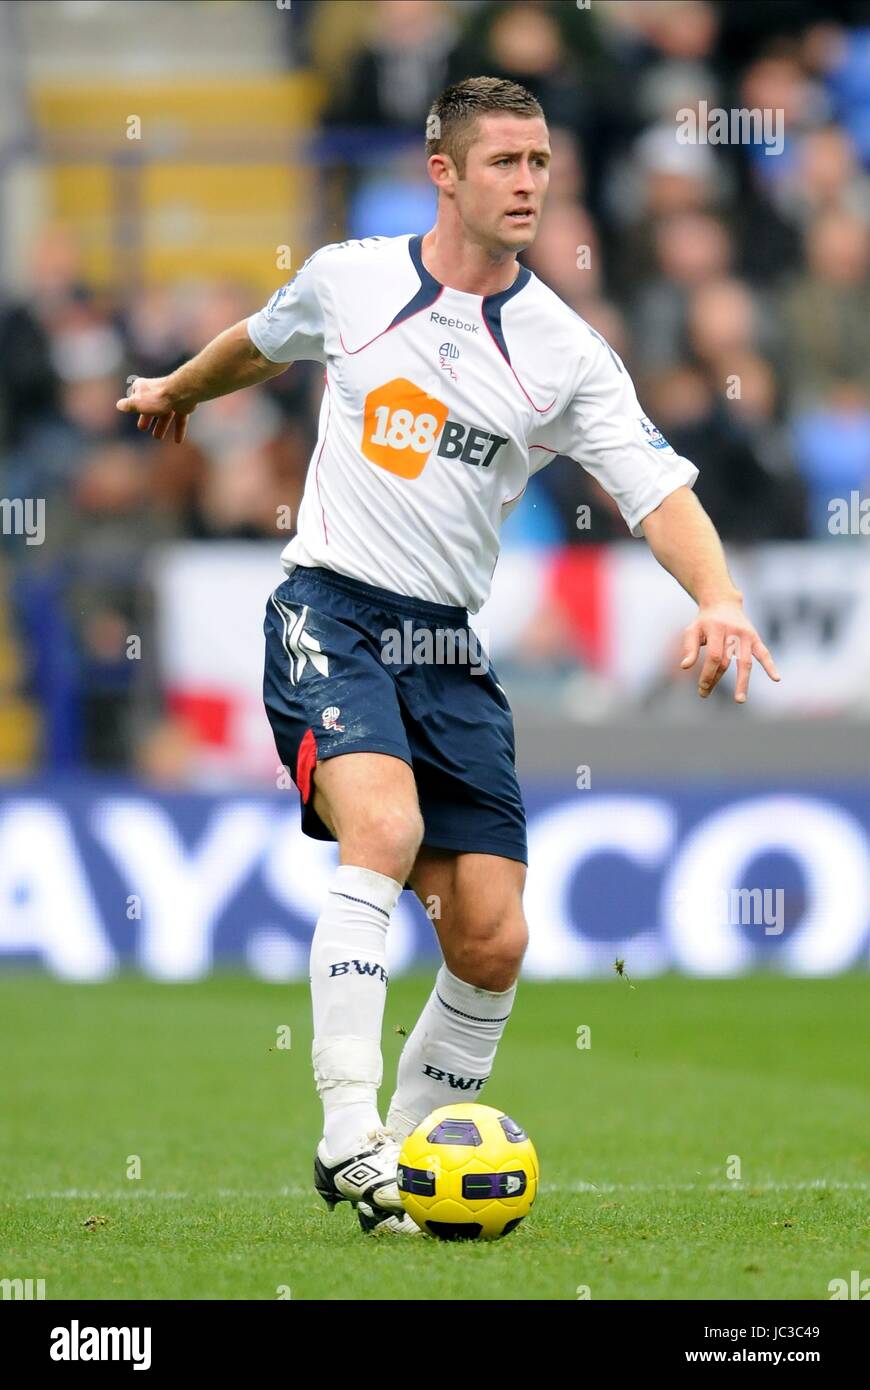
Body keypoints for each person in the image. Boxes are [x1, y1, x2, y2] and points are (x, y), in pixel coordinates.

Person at [117, 76, 780, 1236]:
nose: (529, 182)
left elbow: (655, 488)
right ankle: (347, 1137)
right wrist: (178, 387)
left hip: (446, 645)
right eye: (506, 162)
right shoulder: (352, 279)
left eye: (540, 161)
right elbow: (258, 343)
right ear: (446, 174)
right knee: (386, 829)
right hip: (329, 607)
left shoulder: (565, 351)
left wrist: (720, 593)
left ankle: (410, 1180)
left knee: (492, 931)